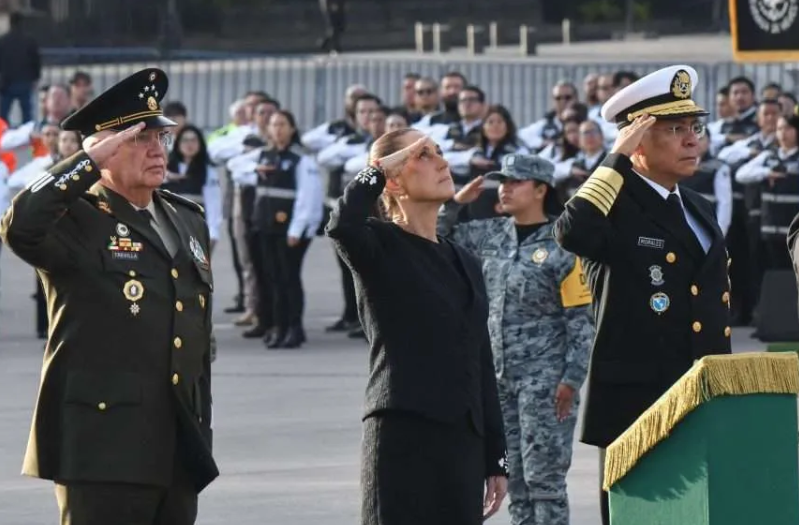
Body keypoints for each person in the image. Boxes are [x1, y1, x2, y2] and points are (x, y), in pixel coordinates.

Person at [0, 68, 218, 525]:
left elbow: (196, 332)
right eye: (139, 140)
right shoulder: (76, 217)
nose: (157, 149)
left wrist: (201, 430)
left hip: (177, 446)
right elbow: (19, 226)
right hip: (103, 448)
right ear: (106, 151)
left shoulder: (186, 218)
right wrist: (84, 162)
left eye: (161, 137)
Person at [552, 65, 733, 525]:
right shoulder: (612, 205)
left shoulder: (698, 206)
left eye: (695, 127)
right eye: (674, 130)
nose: (692, 140)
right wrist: (613, 160)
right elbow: (572, 231)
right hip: (639, 402)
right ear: (636, 142)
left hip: (700, 395)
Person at [325, 128, 508, 525]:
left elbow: (480, 356)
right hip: (403, 434)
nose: (442, 161)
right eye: (423, 155)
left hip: (462, 440)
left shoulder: (464, 260)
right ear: (394, 179)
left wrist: (496, 453)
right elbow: (342, 223)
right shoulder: (378, 244)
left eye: (440, 152)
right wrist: (377, 169)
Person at [438, 153, 594, 525]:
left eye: (514, 182)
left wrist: (572, 378)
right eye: (502, 182)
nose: (504, 189)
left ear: (541, 189)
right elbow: (438, 236)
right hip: (498, 377)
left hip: (546, 380)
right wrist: (455, 202)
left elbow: (581, 320)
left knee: (546, 481)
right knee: (513, 480)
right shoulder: (491, 234)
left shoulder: (564, 244)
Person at [252, 110, 324, 349]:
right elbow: (237, 168)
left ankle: (294, 327)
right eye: (274, 124)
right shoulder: (264, 156)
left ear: (292, 129)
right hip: (266, 226)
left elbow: (307, 196)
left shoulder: (299, 159)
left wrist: (297, 229)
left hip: (289, 230)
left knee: (288, 278)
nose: (278, 129)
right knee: (272, 279)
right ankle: (277, 326)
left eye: (282, 124)